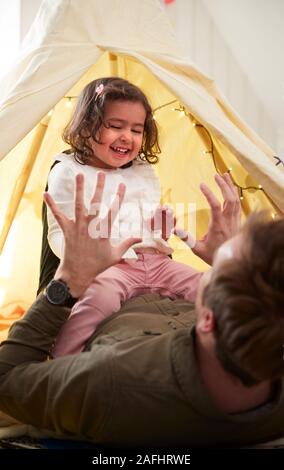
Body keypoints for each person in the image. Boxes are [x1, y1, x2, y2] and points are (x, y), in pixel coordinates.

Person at [0, 174, 283, 449]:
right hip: (153, 274)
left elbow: (5, 381)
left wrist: (68, 282)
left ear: (208, 320)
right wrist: (230, 269)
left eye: (216, 271)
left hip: (103, 292)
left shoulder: (109, 382)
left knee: (66, 203)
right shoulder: (250, 335)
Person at [44, 76, 239, 357]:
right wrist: (81, 256)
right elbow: (57, 232)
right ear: (86, 126)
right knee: (97, 300)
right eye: (115, 126)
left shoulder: (142, 171)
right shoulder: (67, 171)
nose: (128, 137)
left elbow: (147, 227)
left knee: (208, 286)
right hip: (111, 266)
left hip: (157, 263)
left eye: (137, 130)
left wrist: (160, 228)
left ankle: (240, 346)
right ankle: (62, 361)